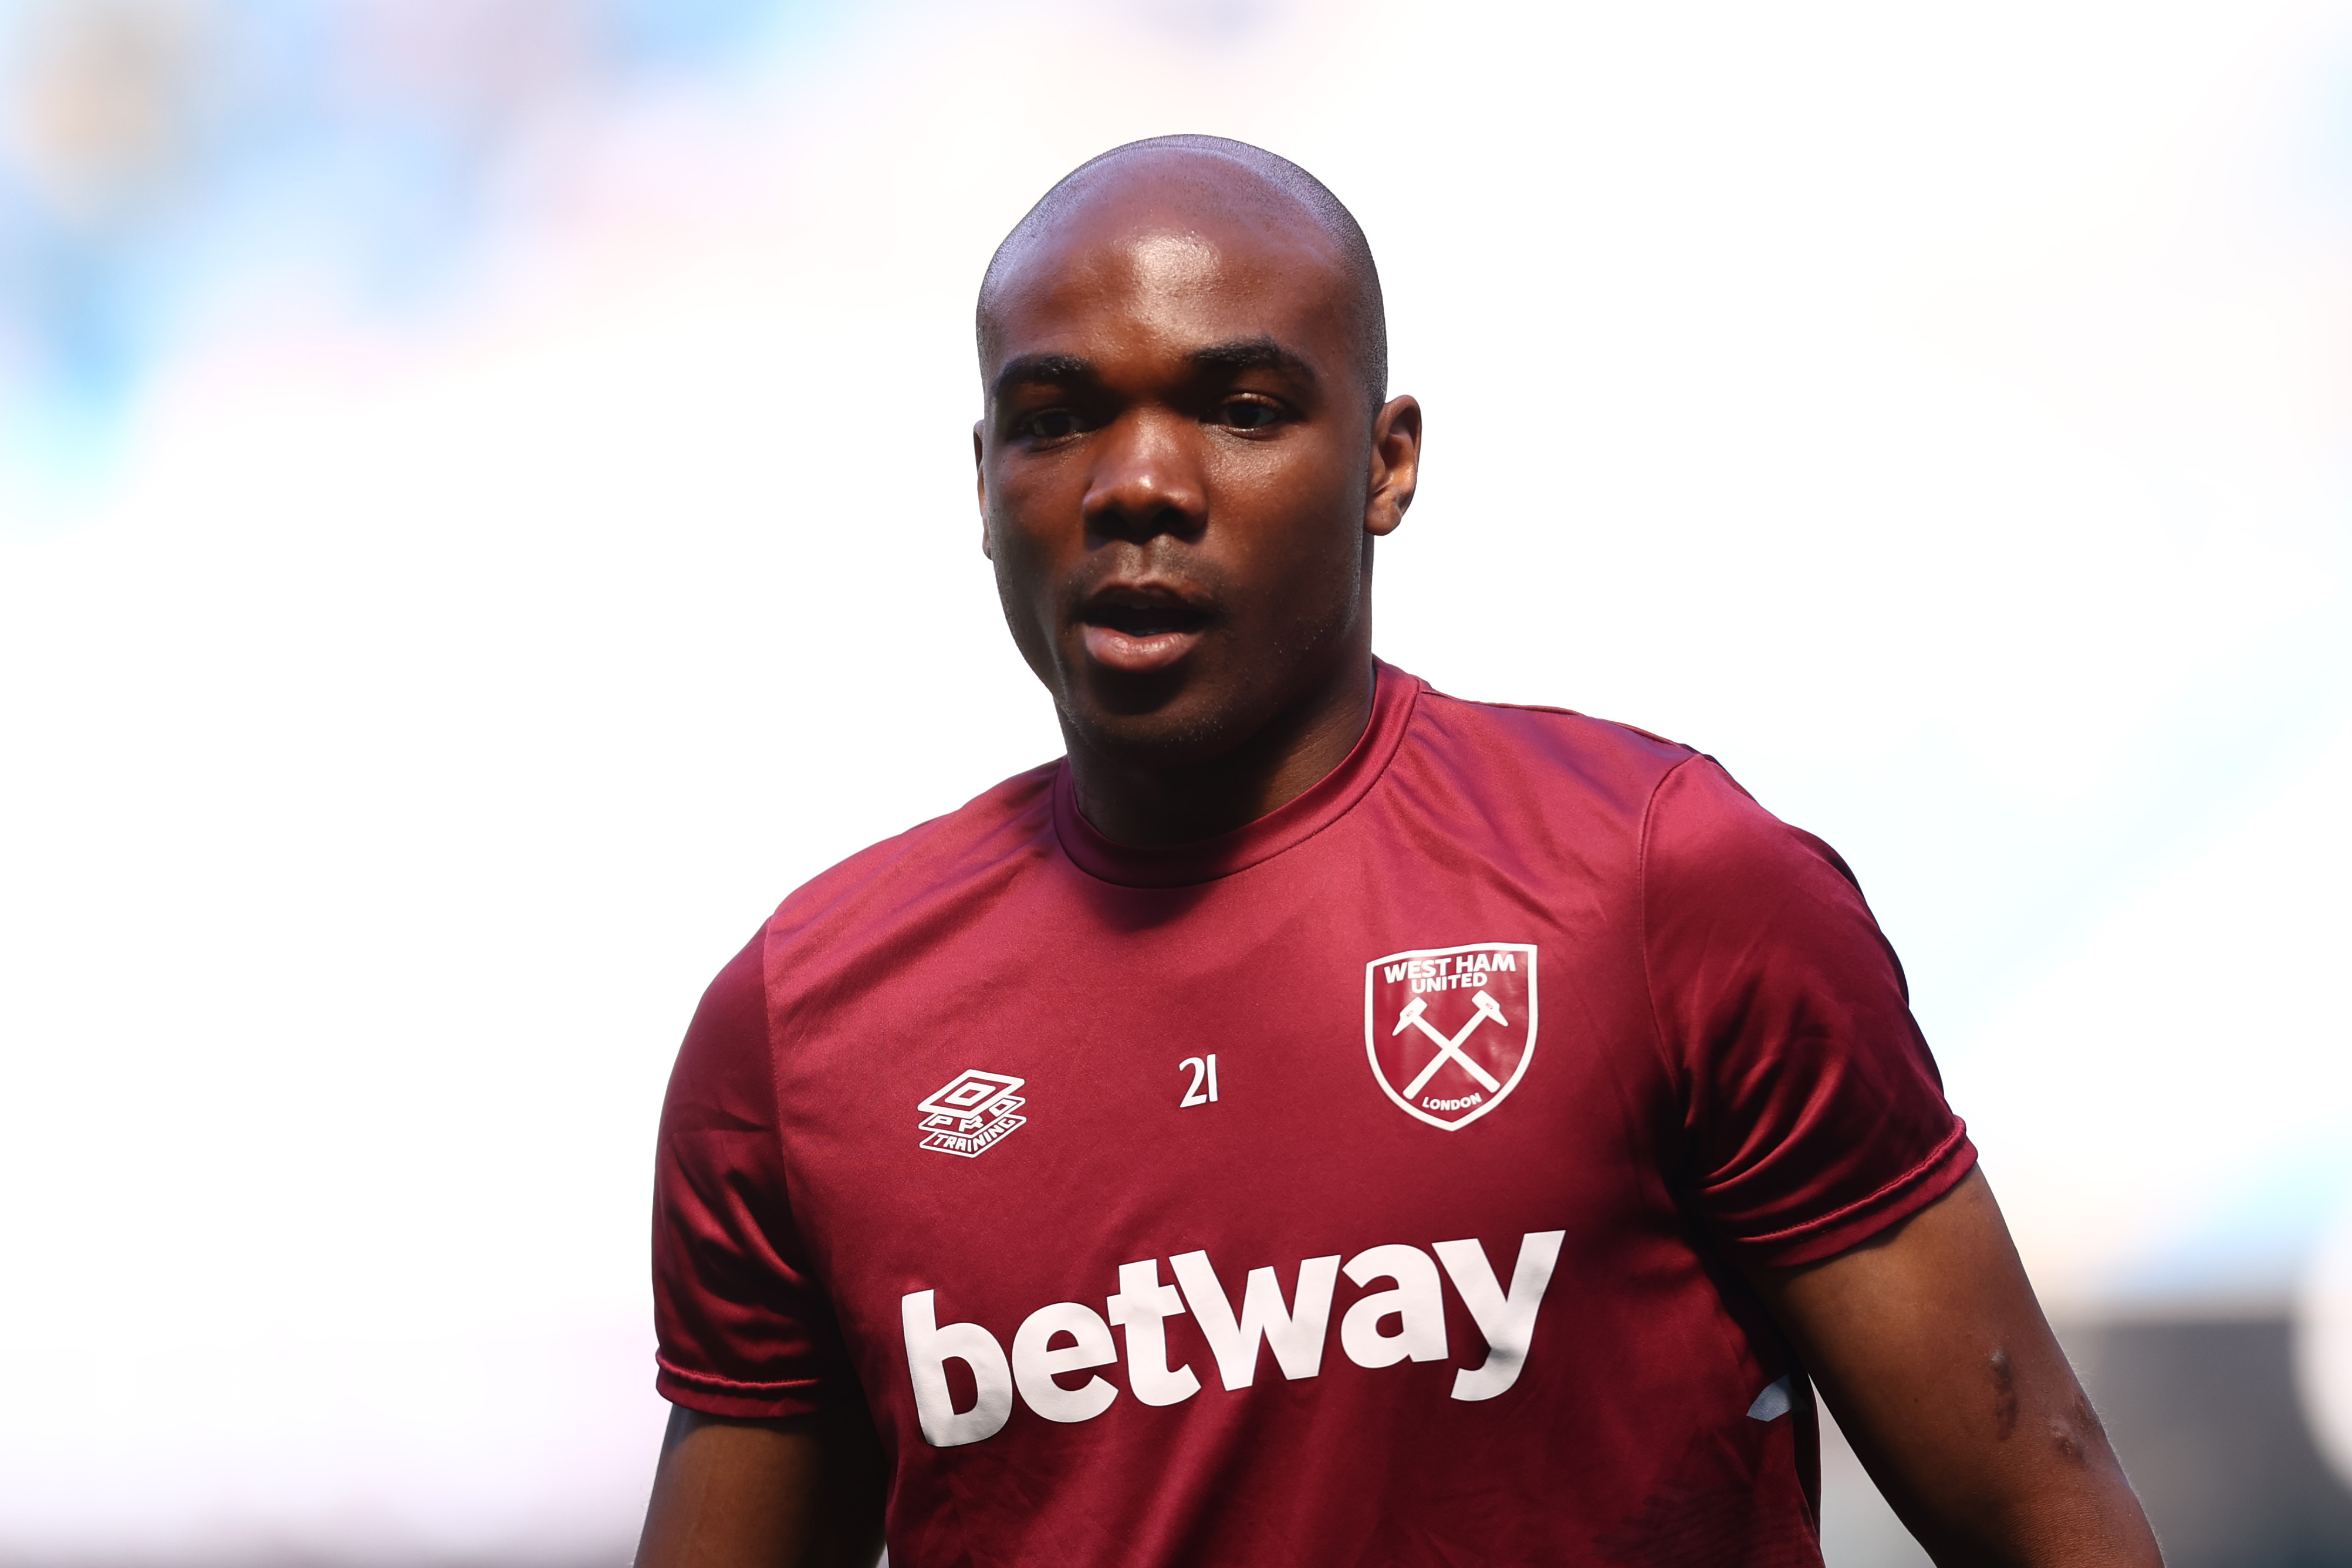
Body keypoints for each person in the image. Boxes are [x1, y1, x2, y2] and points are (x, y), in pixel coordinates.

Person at [635, 135, 2162, 1567]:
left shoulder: (1664, 885)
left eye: (1240, 409)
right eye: (1057, 419)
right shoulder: (801, 1031)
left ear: (1386, 463)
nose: (1137, 485)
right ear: (984, 484)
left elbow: (2040, 1501)